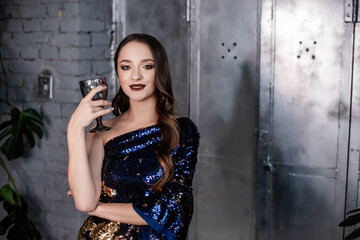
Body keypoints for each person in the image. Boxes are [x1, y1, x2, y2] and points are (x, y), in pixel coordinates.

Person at [67, 33, 200, 240]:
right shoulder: (101, 131)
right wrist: (74, 129)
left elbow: (173, 207)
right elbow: (84, 202)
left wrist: (99, 208)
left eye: (146, 66)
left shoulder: (181, 131)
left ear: (160, 71)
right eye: (126, 67)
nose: (135, 76)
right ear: (118, 74)